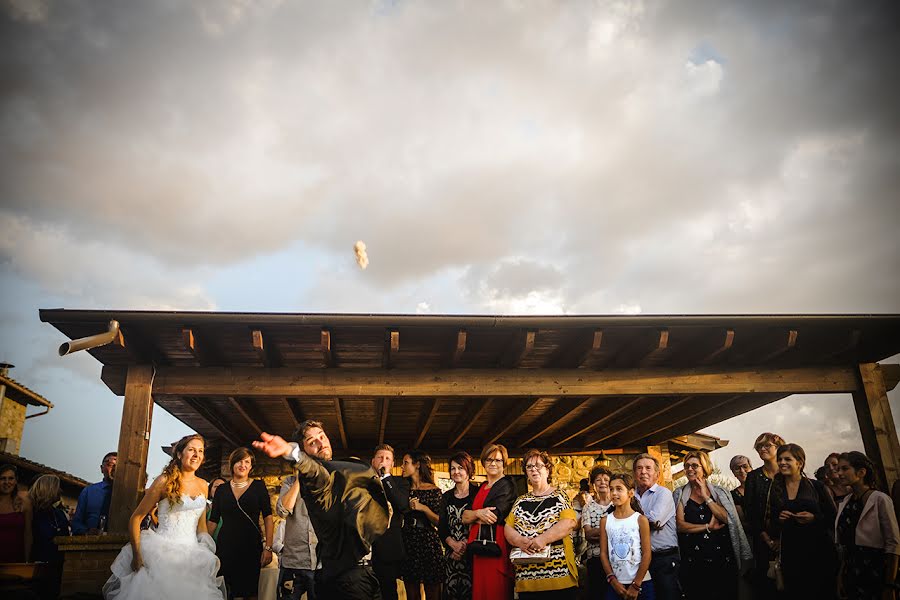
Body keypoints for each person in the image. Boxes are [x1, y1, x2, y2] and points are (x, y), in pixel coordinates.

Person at [252, 422, 390, 600]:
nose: (320, 442)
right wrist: (292, 453)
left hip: (365, 571)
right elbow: (314, 473)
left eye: (322, 436)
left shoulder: (339, 472)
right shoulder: (317, 479)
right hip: (344, 577)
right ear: (305, 451)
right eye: (312, 441)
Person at [102, 434, 225, 599]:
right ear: (180, 454)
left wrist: (205, 550)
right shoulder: (164, 481)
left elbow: (201, 526)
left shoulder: (203, 485)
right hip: (161, 554)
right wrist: (137, 555)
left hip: (192, 556)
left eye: (200, 451)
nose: (196, 455)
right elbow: (136, 519)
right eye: (191, 450)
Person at [673, 451, 751, 600]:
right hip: (693, 561)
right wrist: (707, 527)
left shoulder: (720, 492)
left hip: (722, 559)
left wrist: (706, 497)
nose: (690, 469)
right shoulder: (679, 493)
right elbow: (680, 525)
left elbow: (729, 519)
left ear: (705, 467)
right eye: (687, 466)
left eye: (695, 465)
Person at [763, 442, 837, 600]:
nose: (782, 462)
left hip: (819, 551)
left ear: (800, 463)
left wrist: (814, 518)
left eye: (787, 459)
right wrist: (779, 519)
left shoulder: (816, 487)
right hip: (791, 553)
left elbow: (833, 518)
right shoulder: (775, 489)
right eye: (780, 459)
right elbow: (769, 524)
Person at [504, 449, 578, 599]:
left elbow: (568, 523)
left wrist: (542, 539)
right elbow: (508, 528)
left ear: (547, 470)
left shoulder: (560, 496)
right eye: (529, 466)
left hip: (558, 577)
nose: (534, 469)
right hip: (527, 579)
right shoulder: (520, 501)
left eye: (538, 465)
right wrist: (520, 541)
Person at [208, 447, 274, 600]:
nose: (242, 465)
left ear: (251, 466)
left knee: (250, 592)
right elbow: (213, 521)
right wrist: (204, 546)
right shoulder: (222, 490)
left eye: (247, 462)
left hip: (251, 547)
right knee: (226, 590)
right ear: (232, 464)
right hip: (226, 547)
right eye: (239, 461)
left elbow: (268, 517)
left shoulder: (259, 487)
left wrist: (268, 547)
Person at [834, 451, 900, 600]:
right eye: (838, 469)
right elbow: (845, 544)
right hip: (851, 572)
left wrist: (890, 585)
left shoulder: (880, 499)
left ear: (861, 472)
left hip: (875, 570)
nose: (839, 473)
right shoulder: (845, 502)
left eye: (845, 469)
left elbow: (893, 543)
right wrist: (840, 576)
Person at [462, 443, 515, 600]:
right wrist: (478, 513)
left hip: (495, 548)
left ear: (504, 463)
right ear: (483, 462)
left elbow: (494, 516)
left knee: (495, 590)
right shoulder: (482, 486)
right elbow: (464, 517)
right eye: (489, 459)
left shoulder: (507, 485)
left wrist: (473, 516)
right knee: (481, 591)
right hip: (478, 548)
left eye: (498, 460)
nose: (493, 463)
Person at [276, 436, 320, 600]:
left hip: (320, 563)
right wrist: (299, 481)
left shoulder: (324, 483)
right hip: (293, 563)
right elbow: (282, 511)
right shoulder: (289, 482)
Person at [742, 431, 784, 596]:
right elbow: (750, 510)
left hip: (788, 538)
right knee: (766, 584)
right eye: (759, 446)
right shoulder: (753, 476)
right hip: (762, 538)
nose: (762, 449)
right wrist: (766, 537)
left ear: (778, 447)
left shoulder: (787, 473)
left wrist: (781, 539)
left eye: (767, 445)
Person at [632, 454, 680, 600]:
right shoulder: (631, 496)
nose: (643, 472)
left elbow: (655, 521)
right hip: (639, 560)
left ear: (657, 474)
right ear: (634, 474)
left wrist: (629, 520)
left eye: (648, 468)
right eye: (639, 468)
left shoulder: (663, 493)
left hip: (663, 557)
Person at [599, 473, 653, 600]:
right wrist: (612, 580)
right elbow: (603, 553)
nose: (613, 493)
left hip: (642, 583)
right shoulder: (605, 521)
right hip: (616, 584)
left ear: (631, 492)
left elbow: (647, 554)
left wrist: (636, 585)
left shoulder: (640, 519)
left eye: (619, 489)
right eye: (611, 489)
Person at [400, 450, 443, 600]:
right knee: (411, 592)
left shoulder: (434, 490)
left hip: (428, 542)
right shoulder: (403, 490)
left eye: (405, 462)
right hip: (407, 541)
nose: (402, 466)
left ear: (417, 465)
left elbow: (439, 522)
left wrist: (423, 508)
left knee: (433, 591)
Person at [371, 444, 410, 600]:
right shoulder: (364, 482)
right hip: (365, 549)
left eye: (387, 459)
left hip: (387, 549)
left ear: (392, 464)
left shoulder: (400, 483)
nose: (383, 461)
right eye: (380, 457)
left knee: (388, 593)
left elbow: (402, 505)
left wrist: (386, 477)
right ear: (373, 461)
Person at [439, 451, 479, 600]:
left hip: (473, 554)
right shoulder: (446, 497)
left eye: (460, 468)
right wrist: (453, 544)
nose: (456, 472)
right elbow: (442, 527)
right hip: (452, 557)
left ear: (468, 470)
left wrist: (464, 545)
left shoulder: (478, 493)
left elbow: (482, 524)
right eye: (453, 468)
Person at [29, 474, 70, 599]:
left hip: (56, 569)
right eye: (58, 487)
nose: (60, 491)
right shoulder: (31, 512)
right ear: (49, 489)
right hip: (35, 568)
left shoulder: (59, 514)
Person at [582, 466, 613, 600]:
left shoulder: (618, 504)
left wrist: (598, 532)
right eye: (598, 480)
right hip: (595, 559)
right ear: (593, 484)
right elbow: (588, 535)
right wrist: (611, 529)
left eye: (606, 479)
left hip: (616, 558)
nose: (602, 482)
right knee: (597, 594)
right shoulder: (588, 507)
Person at [72, 451, 116, 534]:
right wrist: (87, 531)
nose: (114, 469)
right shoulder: (89, 491)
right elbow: (76, 523)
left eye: (118, 466)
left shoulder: (128, 495)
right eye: (110, 465)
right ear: (102, 468)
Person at [0, 463, 31, 563]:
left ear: (16, 480)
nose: (7, 482)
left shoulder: (24, 502)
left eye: (11, 478)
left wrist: (27, 561)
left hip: (16, 562)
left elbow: (28, 534)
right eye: (3, 478)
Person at [728, 455, 752, 528]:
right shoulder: (734, 494)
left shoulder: (763, 486)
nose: (742, 471)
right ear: (733, 473)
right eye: (737, 468)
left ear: (751, 468)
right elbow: (742, 521)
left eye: (745, 466)